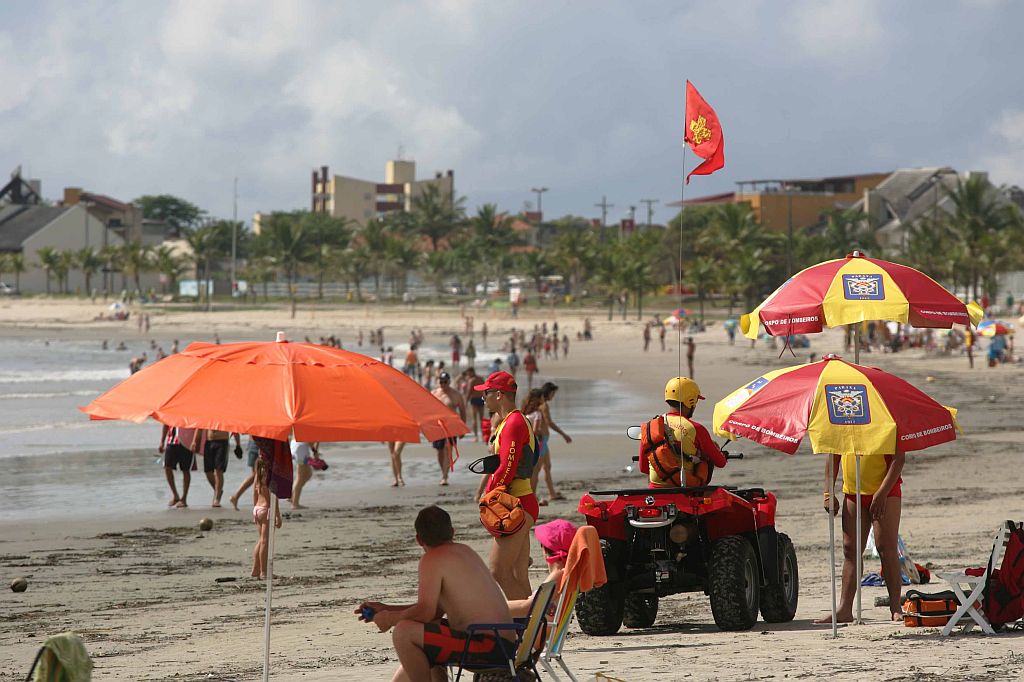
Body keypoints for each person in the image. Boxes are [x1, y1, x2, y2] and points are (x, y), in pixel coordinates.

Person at [356, 506, 515, 681]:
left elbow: (425, 612)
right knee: (428, 627)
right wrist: (386, 609)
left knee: (404, 632)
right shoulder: (465, 551)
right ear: (452, 532)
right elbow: (435, 611)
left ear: (418, 539)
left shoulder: (432, 559)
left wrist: (389, 619)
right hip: (502, 644)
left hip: (487, 647)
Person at [817, 451, 905, 624]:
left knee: (885, 548)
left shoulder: (889, 423)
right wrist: (828, 493)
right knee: (851, 549)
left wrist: (881, 493)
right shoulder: (843, 423)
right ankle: (844, 609)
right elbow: (833, 455)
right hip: (853, 492)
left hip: (886, 491)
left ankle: (895, 607)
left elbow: (899, 459)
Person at [476, 371, 537, 599]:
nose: (484, 398)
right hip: (522, 502)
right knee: (517, 573)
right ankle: (534, 628)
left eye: (487, 393)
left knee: (497, 572)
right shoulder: (511, 421)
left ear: (499, 394)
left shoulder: (513, 422)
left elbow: (506, 468)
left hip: (516, 506)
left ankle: (524, 622)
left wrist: (488, 497)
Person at [642, 377, 727, 489]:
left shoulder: (650, 427)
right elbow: (721, 462)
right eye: (696, 400)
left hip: (655, 490)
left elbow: (643, 468)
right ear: (690, 401)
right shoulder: (696, 429)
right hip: (686, 491)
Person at [534, 382, 570, 503]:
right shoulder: (544, 406)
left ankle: (552, 493)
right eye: (553, 393)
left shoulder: (540, 405)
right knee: (537, 469)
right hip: (541, 441)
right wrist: (563, 434)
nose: (553, 396)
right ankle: (532, 494)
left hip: (543, 441)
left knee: (547, 467)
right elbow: (549, 422)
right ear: (549, 392)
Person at [430, 372, 467, 485]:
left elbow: (462, 412)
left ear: (449, 382)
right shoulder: (434, 393)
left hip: (451, 426)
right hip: (437, 426)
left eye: (445, 382)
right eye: (441, 381)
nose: (443, 384)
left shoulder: (456, 395)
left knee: (448, 448)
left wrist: (462, 428)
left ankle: (445, 476)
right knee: (439, 451)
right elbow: (427, 411)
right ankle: (443, 471)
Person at [192, 429, 241, 508]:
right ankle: (218, 490)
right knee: (208, 472)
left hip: (222, 442)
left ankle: (217, 499)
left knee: (218, 470)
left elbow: (233, 426)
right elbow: (200, 426)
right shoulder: (207, 415)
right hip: (209, 442)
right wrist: (195, 441)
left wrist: (238, 444)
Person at [251, 456, 282, 579]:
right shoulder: (270, 477)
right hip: (266, 510)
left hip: (257, 509)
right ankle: (264, 572)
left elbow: (254, 493)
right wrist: (277, 515)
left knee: (261, 540)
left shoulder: (258, 475)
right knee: (265, 541)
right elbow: (274, 497)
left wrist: (255, 510)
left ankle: (255, 570)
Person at [158, 425, 192, 508]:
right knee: (167, 467)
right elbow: (165, 424)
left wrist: (195, 441)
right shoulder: (170, 413)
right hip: (171, 442)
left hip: (186, 443)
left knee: (185, 469)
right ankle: (175, 495)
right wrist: (162, 442)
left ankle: (184, 498)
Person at [229, 436, 260, 511]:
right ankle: (256, 503)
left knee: (256, 475)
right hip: (256, 443)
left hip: (256, 443)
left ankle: (236, 497)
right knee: (257, 475)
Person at [290, 440, 316, 509]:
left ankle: (292, 496)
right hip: (301, 450)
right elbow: (311, 441)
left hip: (296, 446)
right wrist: (315, 452)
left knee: (308, 473)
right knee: (300, 477)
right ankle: (295, 503)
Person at [464, 367, 486, 441]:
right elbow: (485, 389)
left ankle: (476, 437)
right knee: (481, 419)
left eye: (468, 373)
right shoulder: (480, 379)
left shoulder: (471, 380)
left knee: (474, 419)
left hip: (474, 399)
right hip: (481, 398)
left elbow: (469, 391)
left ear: (471, 372)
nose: (468, 375)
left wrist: (466, 401)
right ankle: (483, 436)